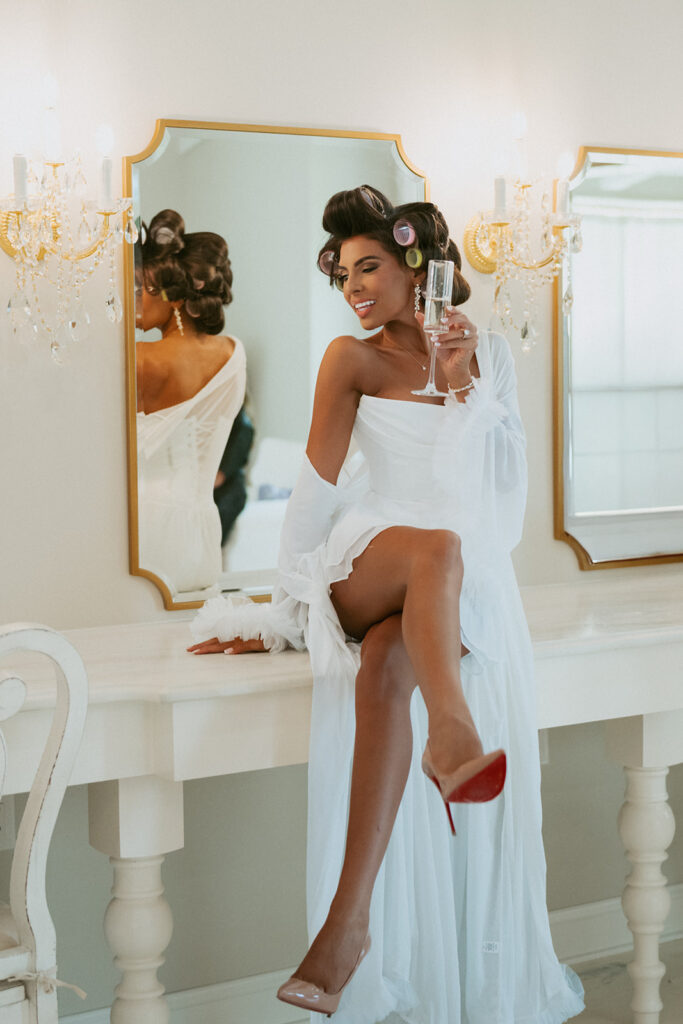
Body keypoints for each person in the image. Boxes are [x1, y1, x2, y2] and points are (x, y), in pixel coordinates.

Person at [188, 186, 585, 1024]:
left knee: (389, 661)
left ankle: (347, 927)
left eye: (367, 267)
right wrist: (282, 612)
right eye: (341, 274)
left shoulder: (490, 357)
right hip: (364, 561)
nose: (352, 288)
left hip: (458, 586)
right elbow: (313, 494)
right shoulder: (350, 358)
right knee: (429, 550)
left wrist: (458, 389)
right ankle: (453, 734)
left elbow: (495, 509)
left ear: (417, 265)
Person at [136, 209, 246, 595]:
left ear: (175, 295)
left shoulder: (137, 358)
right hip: (202, 528)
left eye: (140, 287)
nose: (135, 300)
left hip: (145, 527)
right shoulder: (234, 353)